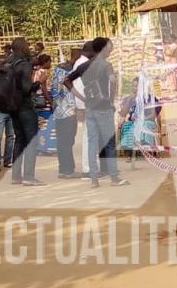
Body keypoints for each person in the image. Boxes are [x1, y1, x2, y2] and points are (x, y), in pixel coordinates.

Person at [65, 37, 129, 189]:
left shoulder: (84, 65)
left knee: (92, 142)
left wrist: (81, 97)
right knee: (109, 142)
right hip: (103, 107)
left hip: (90, 107)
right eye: (109, 48)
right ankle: (114, 177)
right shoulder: (106, 65)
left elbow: (67, 80)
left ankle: (94, 179)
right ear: (103, 49)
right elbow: (112, 82)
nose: (110, 51)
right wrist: (111, 101)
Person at [7, 38, 45, 186]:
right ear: (22, 48)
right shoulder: (24, 65)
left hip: (12, 107)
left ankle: (16, 177)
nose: (29, 48)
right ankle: (29, 177)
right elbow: (26, 88)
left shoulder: (8, 63)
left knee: (19, 140)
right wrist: (39, 81)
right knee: (31, 141)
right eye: (27, 46)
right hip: (25, 107)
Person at [50, 49, 79, 179]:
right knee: (68, 141)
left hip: (59, 111)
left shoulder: (57, 69)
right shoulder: (72, 72)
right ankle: (68, 170)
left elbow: (54, 90)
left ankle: (64, 169)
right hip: (69, 111)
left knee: (62, 141)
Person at [72, 41, 94, 179]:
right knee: (88, 137)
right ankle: (87, 169)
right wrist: (82, 107)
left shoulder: (82, 62)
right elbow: (79, 88)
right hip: (87, 106)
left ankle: (90, 167)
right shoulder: (82, 64)